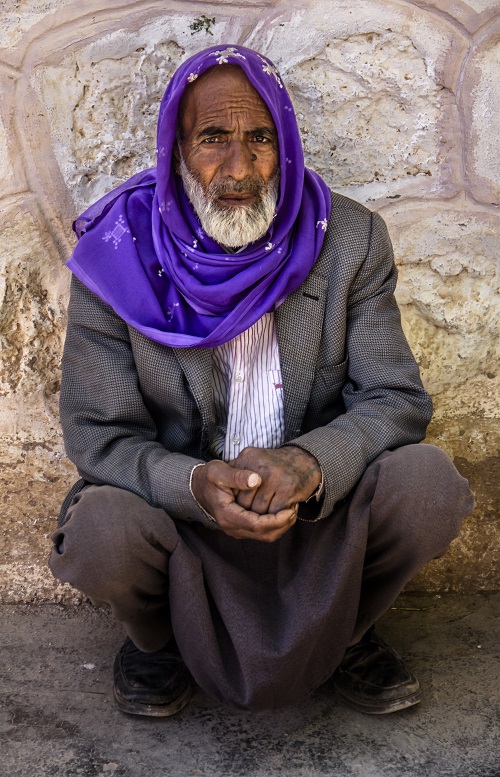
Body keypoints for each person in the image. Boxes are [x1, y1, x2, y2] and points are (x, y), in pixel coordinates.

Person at [49, 45, 474, 717]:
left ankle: (347, 633)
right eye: (213, 139)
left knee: (429, 488)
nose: (240, 169)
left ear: (287, 144)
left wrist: (310, 463)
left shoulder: (349, 241)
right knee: (103, 530)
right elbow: (99, 438)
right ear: (176, 147)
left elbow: (395, 399)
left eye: (260, 139)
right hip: (181, 523)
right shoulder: (119, 256)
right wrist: (193, 485)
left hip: (316, 517)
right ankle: (158, 641)